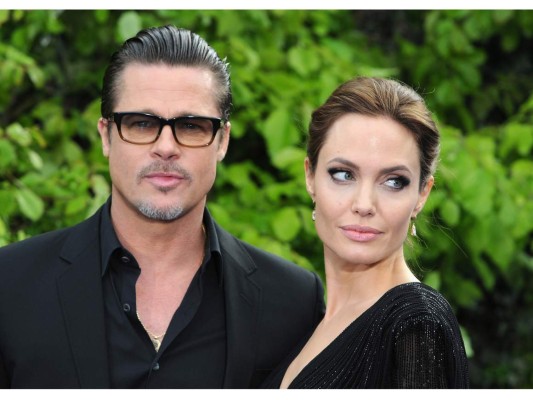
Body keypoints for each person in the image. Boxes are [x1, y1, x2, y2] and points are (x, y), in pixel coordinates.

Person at [0, 25, 325, 389]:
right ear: (106, 136)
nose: (166, 147)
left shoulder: (294, 302)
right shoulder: (9, 284)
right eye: (141, 123)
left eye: (191, 125)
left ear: (222, 141)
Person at [261, 77, 469, 389]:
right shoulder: (310, 322)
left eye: (393, 181)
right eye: (343, 175)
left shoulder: (417, 323)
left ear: (422, 195)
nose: (363, 205)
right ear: (310, 177)